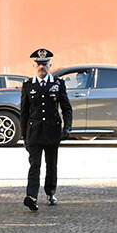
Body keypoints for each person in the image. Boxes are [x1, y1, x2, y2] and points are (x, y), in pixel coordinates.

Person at [19, 48, 73, 211]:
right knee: (34, 165)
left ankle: (50, 192)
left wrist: (67, 127)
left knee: (51, 165)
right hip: (34, 132)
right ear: (34, 65)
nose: (42, 67)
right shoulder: (28, 85)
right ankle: (31, 196)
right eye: (39, 64)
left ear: (51, 65)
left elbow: (66, 108)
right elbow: (24, 112)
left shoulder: (58, 84)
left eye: (45, 64)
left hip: (52, 131)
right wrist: (24, 135)